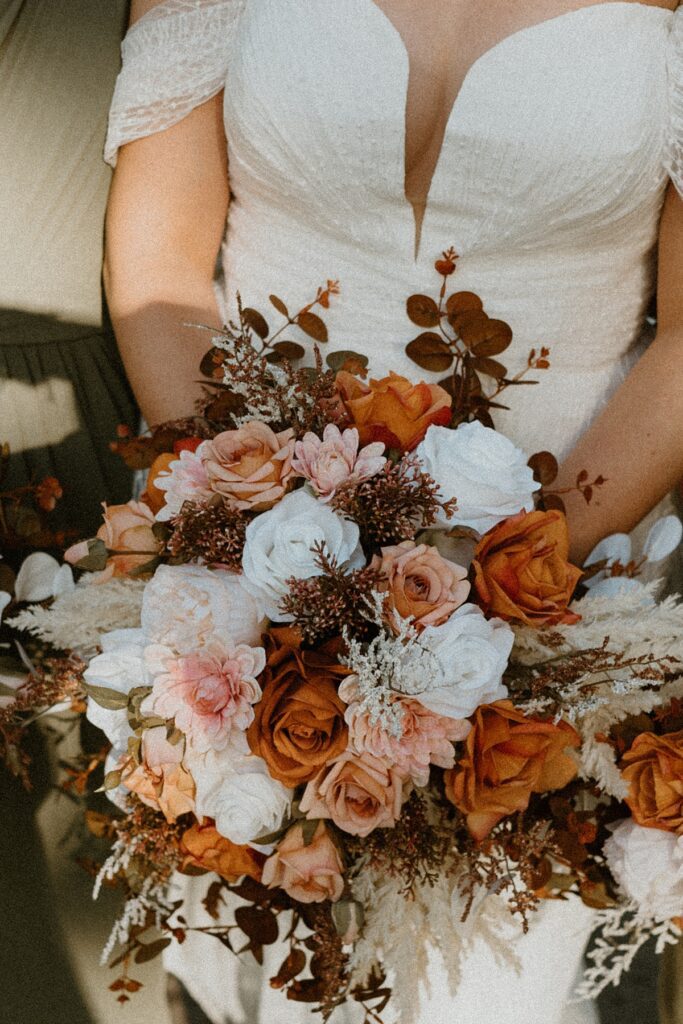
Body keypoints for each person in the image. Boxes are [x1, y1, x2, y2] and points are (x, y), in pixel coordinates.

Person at [102, 1, 683, 1022]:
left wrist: (508, 588)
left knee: (488, 967)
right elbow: (160, 267)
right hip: (256, 572)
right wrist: (247, 534)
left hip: (566, 572)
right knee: (270, 910)